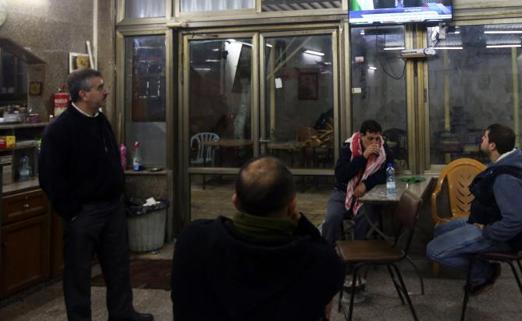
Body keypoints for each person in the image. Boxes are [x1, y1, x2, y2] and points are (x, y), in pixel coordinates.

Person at [39, 69, 153, 321]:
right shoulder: (60, 129)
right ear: (83, 93)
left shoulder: (100, 120)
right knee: (78, 274)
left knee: (118, 266)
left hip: (112, 207)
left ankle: (123, 313)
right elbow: (49, 177)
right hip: (84, 213)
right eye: (100, 87)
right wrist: (73, 212)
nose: (106, 91)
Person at [171, 156, 345, 321]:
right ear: (292, 205)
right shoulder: (318, 262)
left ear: (235, 201)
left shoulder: (193, 241)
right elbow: (331, 262)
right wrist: (300, 221)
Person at [426, 123, 522, 294]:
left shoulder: (506, 178)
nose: (481, 140)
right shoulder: (505, 163)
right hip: (488, 221)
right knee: (440, 230)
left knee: (433, 251)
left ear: (492, 146)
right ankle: (475, 258)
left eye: (484, 137)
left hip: (499, 236)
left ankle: (484, 271)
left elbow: (517, 219)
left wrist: (488, 231)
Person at [322, 119, 394, 246]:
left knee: (364, 218)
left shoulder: (384, 149)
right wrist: (363, 157)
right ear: (361, 136)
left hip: (366, 194)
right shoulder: (348, 148)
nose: (375, 143)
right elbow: (341, 175)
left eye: (377, 139)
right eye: (370, 139)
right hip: (343, 190)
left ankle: (357, 254)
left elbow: (388, 173)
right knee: (332, 219)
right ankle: (328, 252)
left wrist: (366, 184)